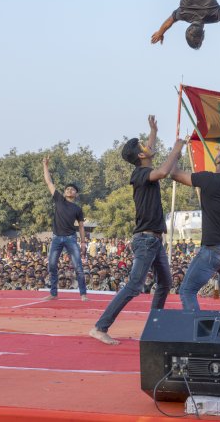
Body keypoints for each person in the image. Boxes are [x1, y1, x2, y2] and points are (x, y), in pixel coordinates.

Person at [89, 115, 185, 345]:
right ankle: (100, 327)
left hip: (153, 240)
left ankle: (155, 326)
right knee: (134, 286)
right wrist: (176, 149)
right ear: (141, 155)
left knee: (165, 283)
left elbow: (150, 152)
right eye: (145, 146)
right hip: (146, 240)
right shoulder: (141, 174)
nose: (149, 146)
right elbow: (162, 172)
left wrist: (153, 131)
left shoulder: (143, 167)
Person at [170, 144, 220, 311]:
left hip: (214, 249)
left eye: (219, 153)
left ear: (218, 160)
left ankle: (195, 332)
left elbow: (174, 174)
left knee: (187, 290)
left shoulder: (208, 179)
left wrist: (176, 152)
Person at [42, 156, 88, 302]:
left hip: (70, 238)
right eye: (67, 189)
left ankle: (83, 294)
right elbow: (49, 182)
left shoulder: (77, 208)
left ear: (76, 194)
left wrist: (82, 242)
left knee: (78, 267)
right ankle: (54, 293)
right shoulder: (59, 200)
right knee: (52, 265)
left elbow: (81, 226)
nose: (69, 190)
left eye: (72, 189)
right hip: (56, 237)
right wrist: (45, 165)